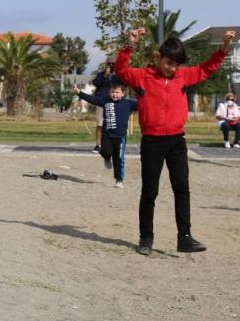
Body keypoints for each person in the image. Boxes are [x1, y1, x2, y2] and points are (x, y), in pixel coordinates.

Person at [116, 27, 234, 256]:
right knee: (150, 190)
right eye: (169, 63)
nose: (172, 68)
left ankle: (185, 237)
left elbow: (207, 68)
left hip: (177, 140)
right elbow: (121, 69)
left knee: (182, 188)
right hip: (152, 141)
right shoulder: (142, 76)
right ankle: (146, 238)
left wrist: (223, 49)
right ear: (159, 57)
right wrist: (129, 45)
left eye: (176, 64)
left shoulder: (183, 75)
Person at [73, 83, 137, 187]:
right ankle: (107, 158)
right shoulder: (105, 101)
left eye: (117, 92)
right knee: (105, 152)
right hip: (107, 135)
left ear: (123, 93)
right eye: (112, 92)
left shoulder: (129, 104)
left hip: (120, 137)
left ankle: (119, 179)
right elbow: (92, 99)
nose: (114, 94)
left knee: (119, 159)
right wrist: (79, 93)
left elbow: (145, 103)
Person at [91, 61, 118, 153]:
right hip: (101, 102)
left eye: (112, 64)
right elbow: (96, 83)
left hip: (114, 103)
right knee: (100, 124)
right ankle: (98, 145)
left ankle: (112, 145)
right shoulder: (101, 74)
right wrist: (105, 76)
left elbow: (121, 86)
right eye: (108, 64)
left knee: (113, 124)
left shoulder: (117, 75)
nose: (110, 66)